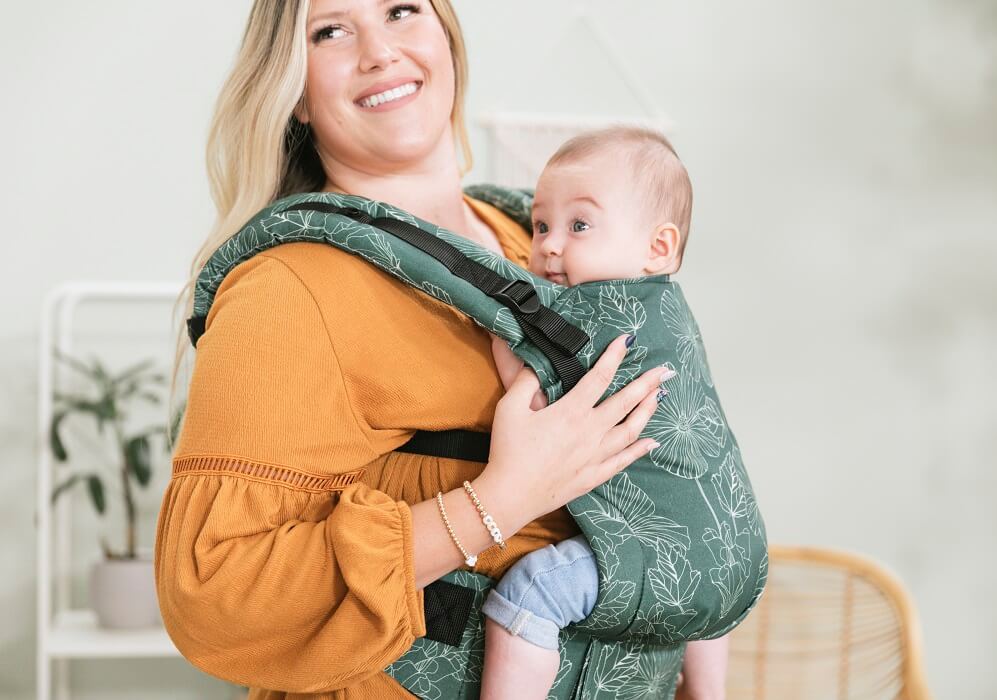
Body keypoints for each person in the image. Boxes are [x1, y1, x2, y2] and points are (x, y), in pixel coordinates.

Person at [155, 1, 675, 698]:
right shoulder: (288, 288)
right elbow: (212, 594)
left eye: (402, 9)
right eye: (331, 31)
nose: (379, 51)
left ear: (447, 38)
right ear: (294, 93)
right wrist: (502, 498)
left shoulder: (538, 236)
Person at [480, 126, 730, 700]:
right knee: (709, 588)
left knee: (533, 590)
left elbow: (539, 409)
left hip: (649, 547)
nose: (548, 245)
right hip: (722, 554)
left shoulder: (595, 322)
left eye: (579, 225)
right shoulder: (669, 318)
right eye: (541, 225)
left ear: (657, 248)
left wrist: (500, 336)